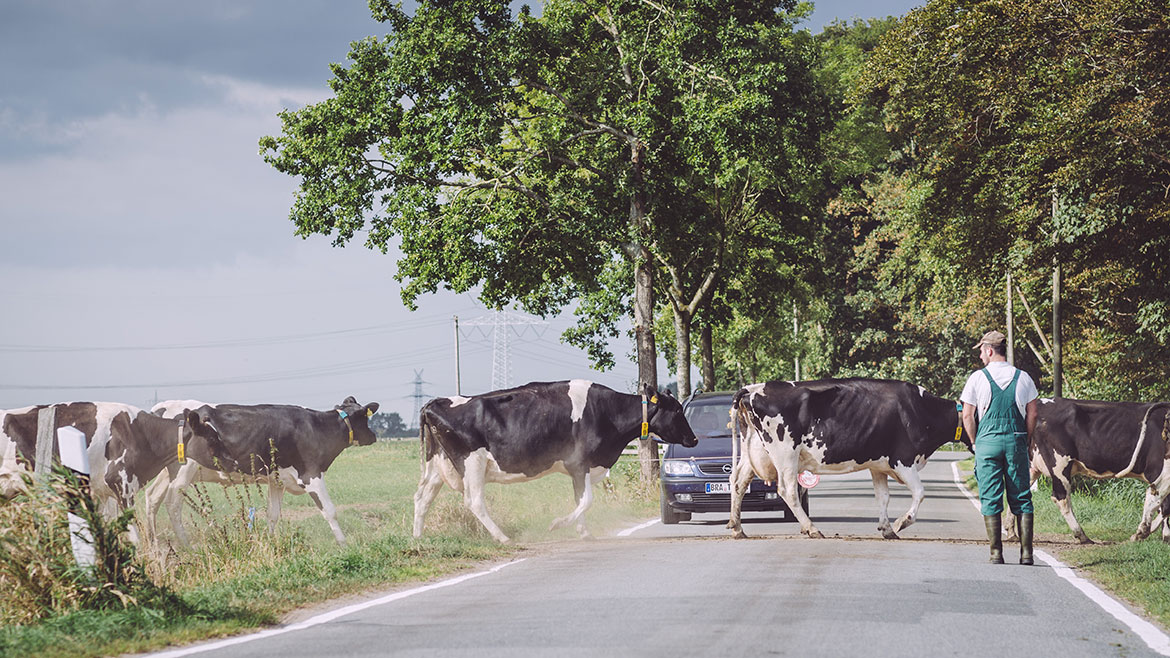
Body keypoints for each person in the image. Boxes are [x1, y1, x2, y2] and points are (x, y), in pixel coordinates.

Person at [960, 330, 1039, 565]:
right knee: (1022, 496)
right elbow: (1033, 412)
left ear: (990, 350)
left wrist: (974, 441)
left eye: (982, 351)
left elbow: (967, 415)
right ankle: (1027, 554)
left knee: (990, 497)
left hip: (987, 443)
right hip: (1015, 441)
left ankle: (996, 553)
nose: (981, 356)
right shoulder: (1023, 378)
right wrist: (1026, 437)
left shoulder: (977, 378)